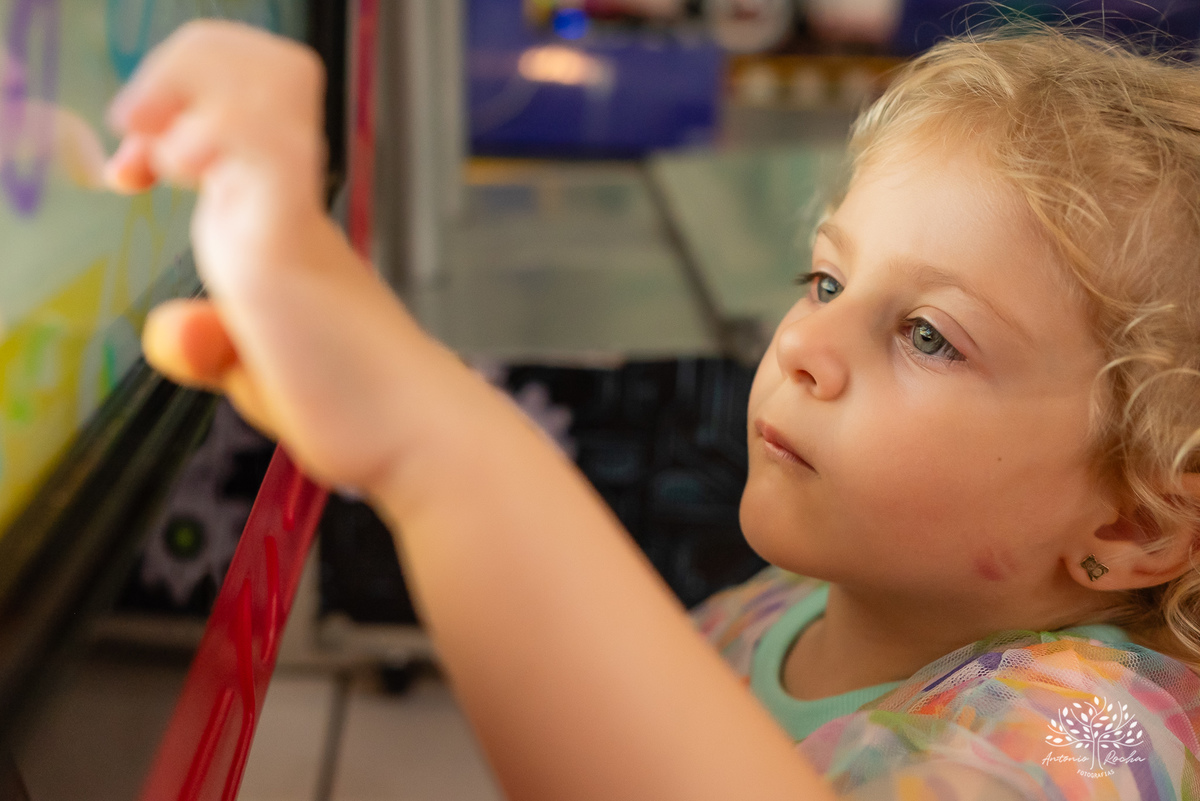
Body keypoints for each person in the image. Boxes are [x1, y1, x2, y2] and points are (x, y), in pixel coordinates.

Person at [103, 19, 1200, 800]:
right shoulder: (779, 611)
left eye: (928, 335)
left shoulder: (1101, 731)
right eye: (826, 282)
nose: (803, 344)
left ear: (1135, 522)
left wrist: (435, 448)